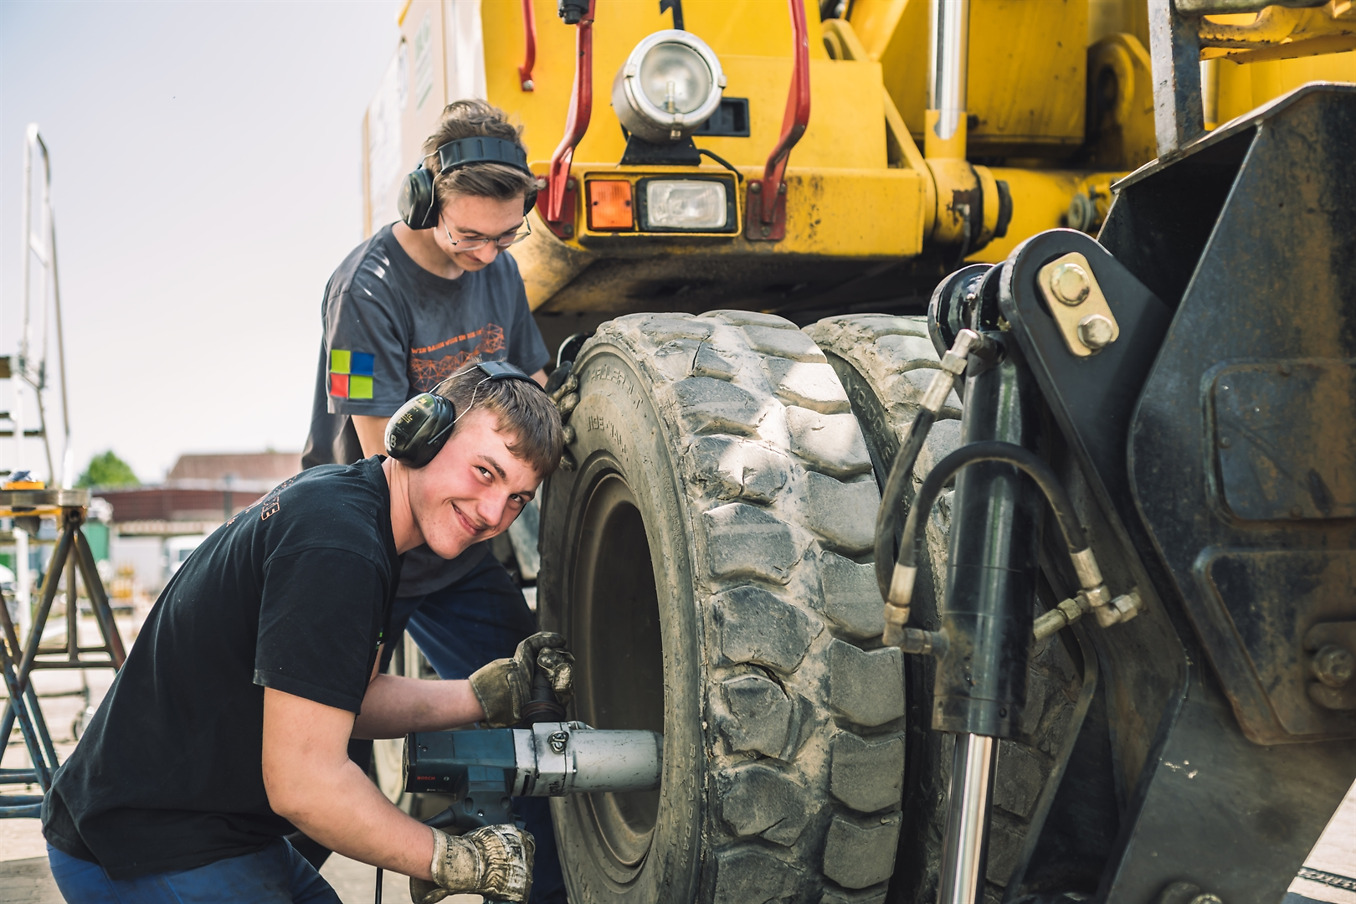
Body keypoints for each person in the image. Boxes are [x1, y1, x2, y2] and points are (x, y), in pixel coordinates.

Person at [41, 366, 568, 904]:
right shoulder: (341, 548)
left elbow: (337, 696)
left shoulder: (357, 512)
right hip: (141, 841)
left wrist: (481, 694)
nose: (491, 513)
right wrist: (453, 858)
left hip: (214, 825)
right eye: (485, 471)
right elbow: (305, 784)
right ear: (421, 433)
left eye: (517, 500)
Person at [299, 99, 567, 899]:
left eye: (505, 234)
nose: (488, 255)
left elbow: (534, 388)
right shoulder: (363, 291)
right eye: (468, 235)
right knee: (324, 745)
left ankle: (523, 867)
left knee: (530, 708)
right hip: (370, 544)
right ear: (424, 199)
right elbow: (388, 452)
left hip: (456, 546)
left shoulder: (503, 272)